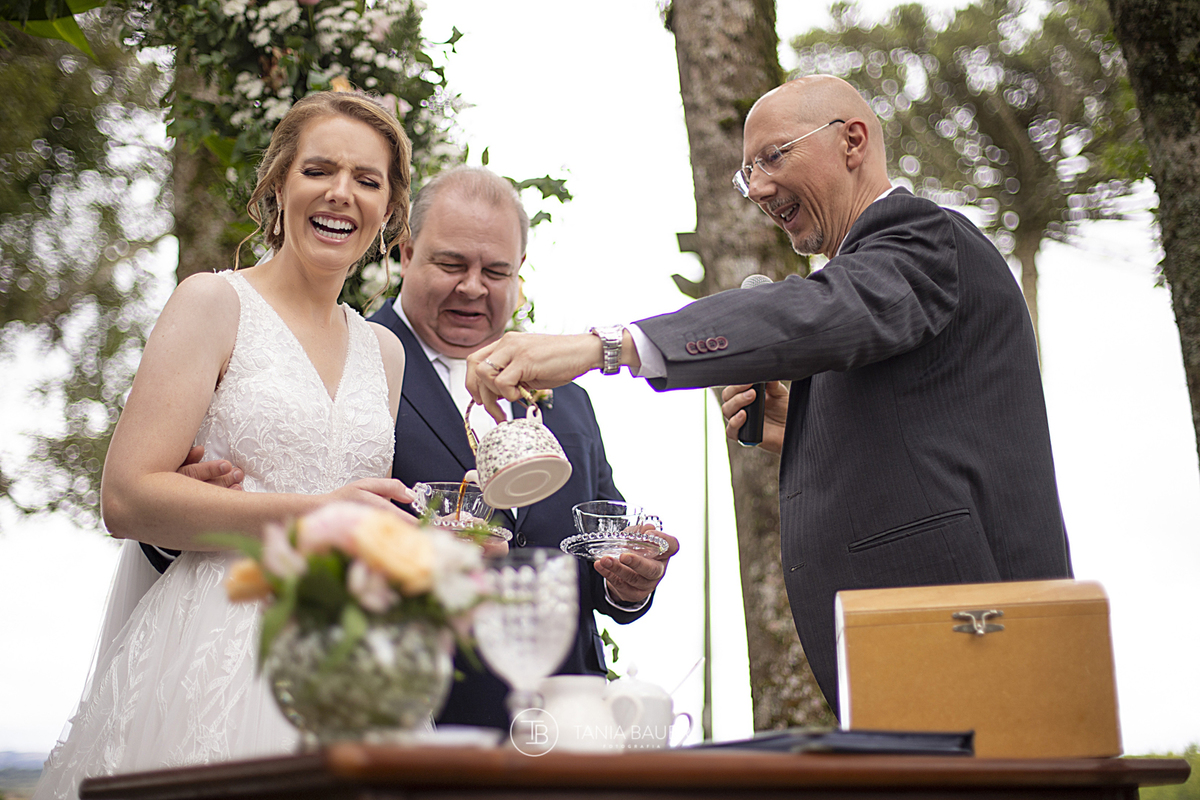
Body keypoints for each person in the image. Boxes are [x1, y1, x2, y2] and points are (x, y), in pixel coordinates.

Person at [463, 75, 1073, 713]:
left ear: (853, 141)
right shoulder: (870, 293)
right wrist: (811, 432)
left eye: (774, 157)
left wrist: (606, 347)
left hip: (983, 646)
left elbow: (815, 313)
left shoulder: (925, 238)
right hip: (905, 665)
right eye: (745, 172)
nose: (756, 188)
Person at [34, 91, 414, 799]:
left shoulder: (385, 353)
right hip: (215, 643)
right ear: (278, 185)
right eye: (319, 170)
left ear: (389, 211)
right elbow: (125, 496)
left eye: (367, 180)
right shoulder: (213, 302)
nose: (342, 194)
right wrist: (313, 516)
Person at [367, 165, 680, 730]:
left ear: (520, 274)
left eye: (495, 270)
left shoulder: (571, 402)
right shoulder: (355, 366)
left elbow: (596, 547)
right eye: (451, 264)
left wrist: (628, 583)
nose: (472, 287)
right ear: (405, 252)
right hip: (422, 730)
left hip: (571, 734)